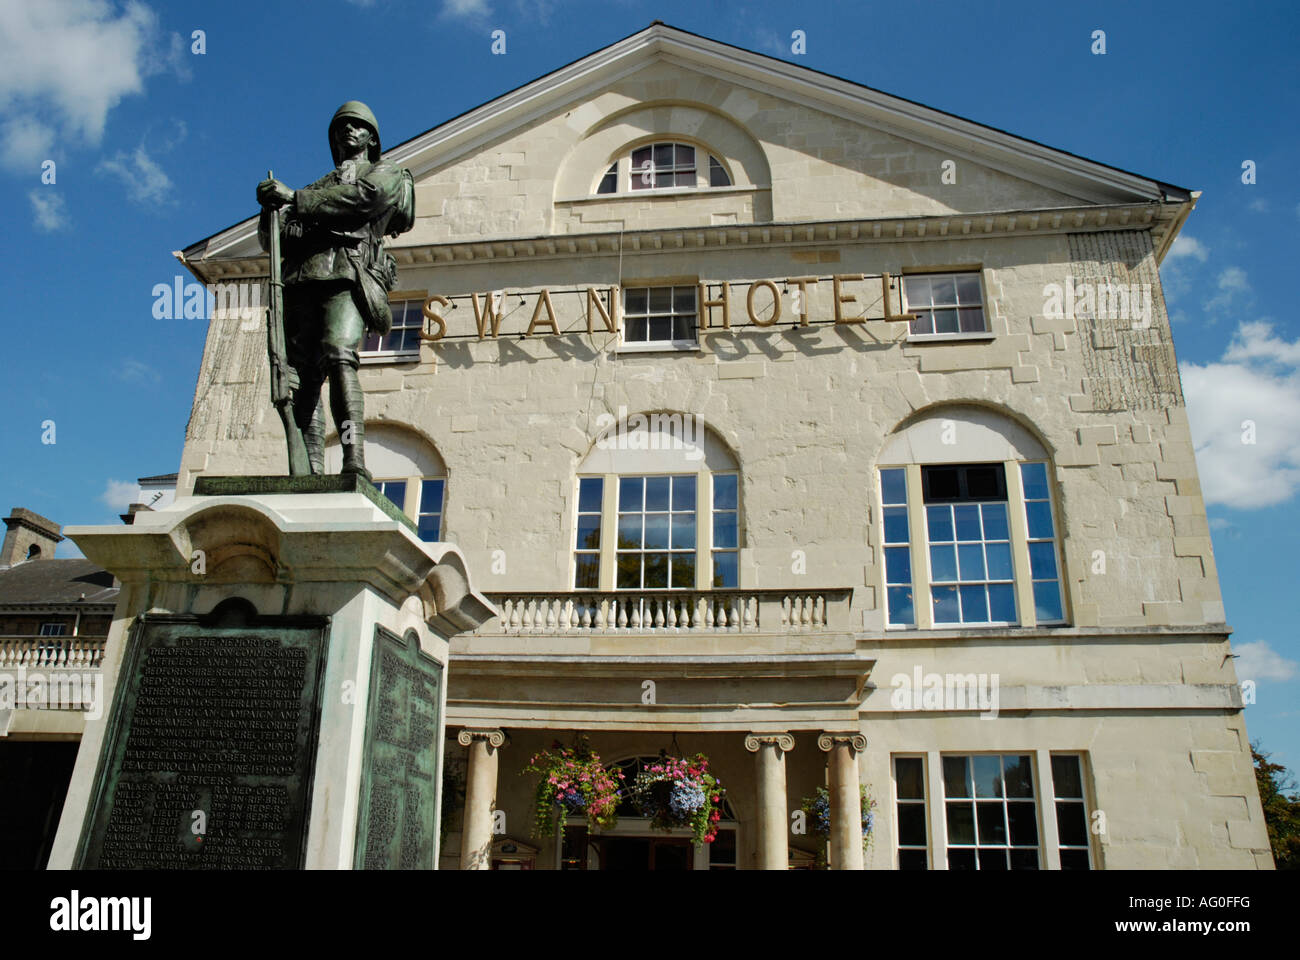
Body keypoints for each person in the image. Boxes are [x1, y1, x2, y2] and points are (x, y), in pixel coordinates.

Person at [257, 101, 413, 479]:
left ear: (371, 138)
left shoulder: (387, 172)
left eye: (356, 125)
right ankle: (307, 469)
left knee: (340, 356)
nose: (347, 130)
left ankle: (352, 459)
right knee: (303, 381)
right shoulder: (316, 187)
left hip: (348, 275)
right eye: (341, 126)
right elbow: (271, 240)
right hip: (301, 283)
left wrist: (294, 200)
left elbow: (367, 198)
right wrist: (270, 209)